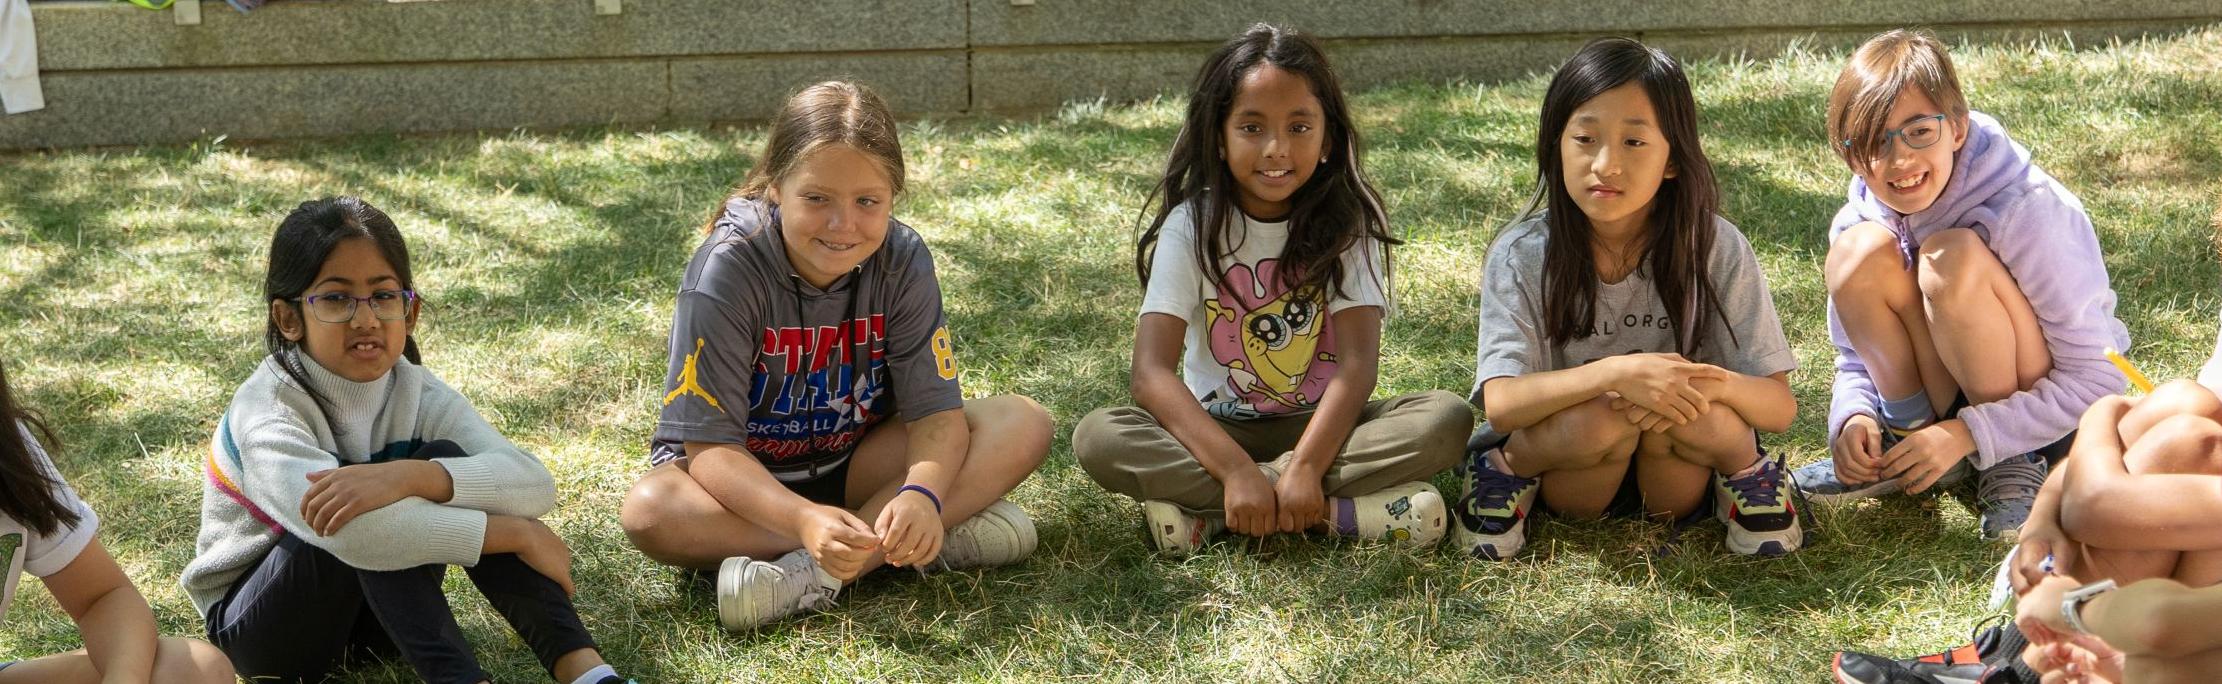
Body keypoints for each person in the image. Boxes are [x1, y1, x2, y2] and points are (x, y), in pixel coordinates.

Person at [618, 81, 1054, 631]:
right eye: (817, 198)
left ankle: (811, 576)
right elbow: (710, 449)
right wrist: (802, 519)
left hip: (859, 464)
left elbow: (936, 415)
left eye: (867, 202)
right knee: (651, 510)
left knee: (1023, 421)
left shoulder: (903, 259)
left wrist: (920, 492)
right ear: (776, 187)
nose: (842, 224)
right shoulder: (727, 269)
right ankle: (909, 542)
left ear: (893, 197)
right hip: (745, 494)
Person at [182, 196, 632, 684]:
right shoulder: (267, 409)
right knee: (362, 515)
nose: (365, 319)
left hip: (379, 627)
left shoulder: (416, 390)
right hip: (268, 633)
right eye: (335, 299)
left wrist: (413, 475)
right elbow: (356, 536)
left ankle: (586, 672)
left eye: (383, 296)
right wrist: (517, 534)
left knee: (442, 465)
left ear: (409, 311)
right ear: (289, 319)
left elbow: (531, 483)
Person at [1072, 23, 1471, 556]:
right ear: (1220, 135)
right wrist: (1235, 469)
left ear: (1328, 139)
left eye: (1299, 127)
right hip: (1218, 433)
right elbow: (1149, 375)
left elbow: (1357, 367)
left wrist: (1305, 465)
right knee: (1100, 437)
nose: (1277, 148)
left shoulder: (1348, 224)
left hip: (1328, 432)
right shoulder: (1191, 226)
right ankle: (1333, 513)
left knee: (1445, 419)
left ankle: (1219, 514)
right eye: (1252, 127)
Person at [1453, 37, 1802, 561]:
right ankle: (1504, 473)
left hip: (1673, 471)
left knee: (1696, 408)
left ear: (1673, 161)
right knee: (1604, 415)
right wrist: (1617, 375)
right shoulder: (1522, 253)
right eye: (1585, 138)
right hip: (1572, 464)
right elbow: (1501, 404)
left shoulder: (1716, 246)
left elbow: (1778, 408)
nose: (1606, 164)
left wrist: (1695, 383)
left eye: (1634, 143)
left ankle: (1747, 475)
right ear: (1556, 147)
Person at [1794, 28, 2129, 542]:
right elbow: (1854, 356)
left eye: (1918, 131)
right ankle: (1906, 436)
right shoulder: (1858, 215)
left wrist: (1973, 431)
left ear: (1956, 128)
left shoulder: (2028, 208)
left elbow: (2097, 377)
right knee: (1857, 252)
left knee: (1952, 257)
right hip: (1941, 396)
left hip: (2040, 415)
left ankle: (2013, 462)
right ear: (1850, 157)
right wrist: (1854, 415)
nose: (1899, 160)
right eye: (1872, 143)